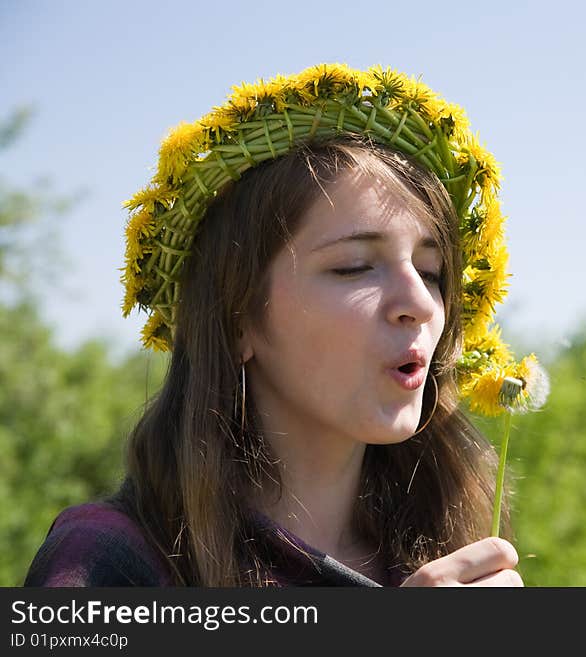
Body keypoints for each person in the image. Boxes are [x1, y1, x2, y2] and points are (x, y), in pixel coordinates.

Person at [24, 63, 543, 587]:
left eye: (430, 272)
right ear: (236, 319)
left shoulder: (463, 548)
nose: (421, 302)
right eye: (354, 267)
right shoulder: (108, 562)